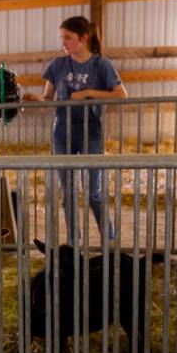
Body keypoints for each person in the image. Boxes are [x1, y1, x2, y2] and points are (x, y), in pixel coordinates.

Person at [23, 16, 127, 245]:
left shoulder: (102, 65)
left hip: (91, 132)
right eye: (62, 39)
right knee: (68, 193)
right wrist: (37, 100)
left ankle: (109, 240)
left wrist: (88, 93)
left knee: (93, 193)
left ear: (83, 38)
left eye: (68, 38)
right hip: (62, 132)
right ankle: (73, 243)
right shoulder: (57, 65)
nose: (64, 43)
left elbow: (121, 94)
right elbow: (49, 99)